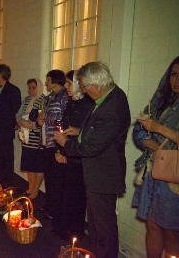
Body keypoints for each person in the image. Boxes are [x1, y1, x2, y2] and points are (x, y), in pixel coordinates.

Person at [53, 61, 131, 258]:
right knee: (96, 225)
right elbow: (101, 134)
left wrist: (65, 143)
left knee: (103, 228)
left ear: (95, 86)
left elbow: (91, 147)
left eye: (86, 87)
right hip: (99, 173)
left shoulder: (111, 107)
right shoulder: (109, 97)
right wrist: (80, 131)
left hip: (103, 175)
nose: (85, 92)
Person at [132, 56, 179, 258]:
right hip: (154, 170)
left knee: (172, 232)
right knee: (152, 225)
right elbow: (138, 130)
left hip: (174, 176)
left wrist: (159, 128)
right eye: (174, 74)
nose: (177, 80)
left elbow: (157, 129)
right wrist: (151, 143)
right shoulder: (161, 100)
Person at [53, 70, 94, 241]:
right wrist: (60, 150)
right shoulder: (70, 102)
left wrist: (68, 150)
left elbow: (90, 133)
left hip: (78, 157)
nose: (66, 86)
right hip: (66, 152)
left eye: (69, 83)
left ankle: (75, 232)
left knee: (77, 197)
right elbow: (63, 126)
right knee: (62, 193)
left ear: (80, 84)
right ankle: (63, 227)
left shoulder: (88, 104)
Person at [36, 70, 69, 227]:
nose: (46, 82)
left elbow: (62, 119)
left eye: (47, 80)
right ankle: (49, 207)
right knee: (49, 178)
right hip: (46, 141)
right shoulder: (49, 98)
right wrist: (39, 119)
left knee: (56, 180)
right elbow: (43, 116)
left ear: (55, 81)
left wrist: (45, 118)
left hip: (56, 144)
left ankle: (55, 210)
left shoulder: (64, 96)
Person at [0, 64, 21, 186]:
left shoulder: (13, 90)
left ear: (0, 74)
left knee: (6, 155)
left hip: (5, 127)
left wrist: (13, 124)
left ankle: (7, 181)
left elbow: (16, 110)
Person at [16, 78, 46, 199]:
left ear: (39, 87)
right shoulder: (26, 100)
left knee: (37, 165)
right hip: (26, 137)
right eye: (29, 88)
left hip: (37, 138)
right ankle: (30, 187)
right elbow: (18, 115)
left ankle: (35, 190)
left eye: (33, 87)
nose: (31, 90)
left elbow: (44, 119)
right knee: (29, 165)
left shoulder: (44, 100)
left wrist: (32, 125)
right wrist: (21, 122)